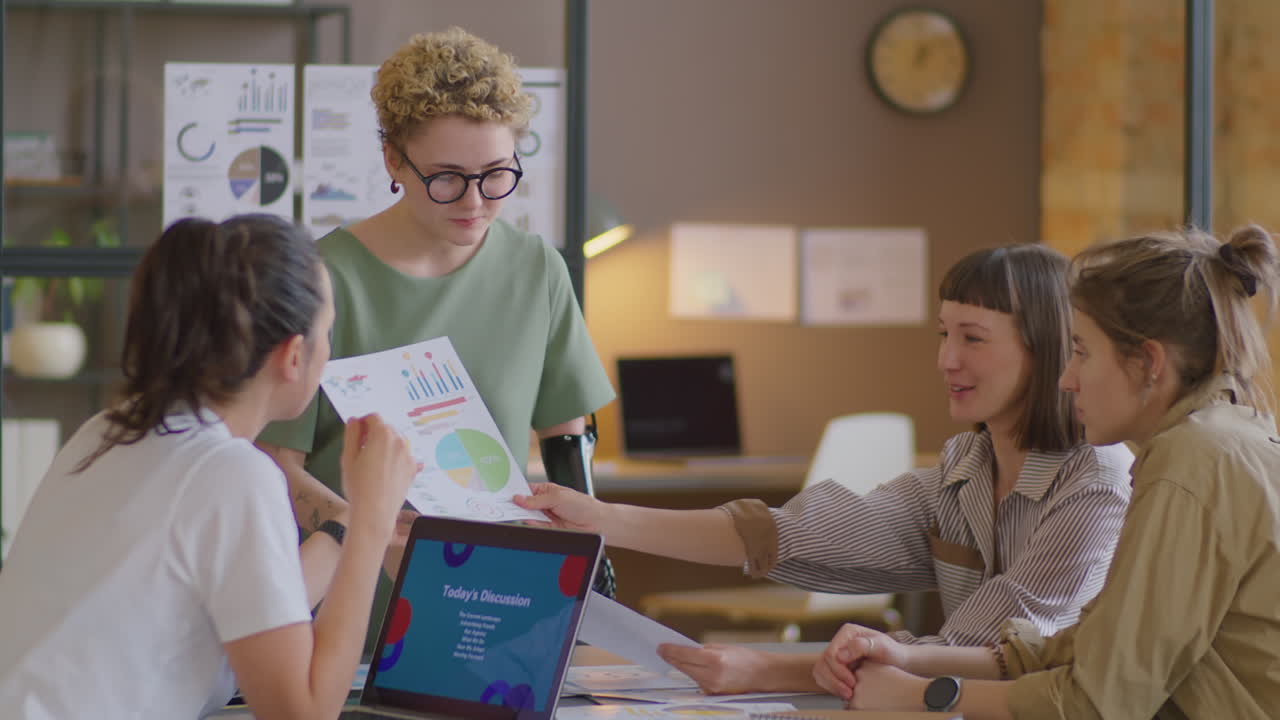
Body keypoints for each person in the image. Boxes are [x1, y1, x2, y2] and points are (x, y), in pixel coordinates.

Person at [516, 244, 1133, 694]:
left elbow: (994, 647)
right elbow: (793, 534)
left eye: (973, 338)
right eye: (944, 334)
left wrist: (767, 668)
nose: (947, 359)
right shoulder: (964, 467)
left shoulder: (1097, 485)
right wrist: (601, 520)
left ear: (1044, 347)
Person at [813, 225, 1280, 718]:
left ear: (1148, 362)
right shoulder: (1232, 437)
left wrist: (919, 694)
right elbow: (1095, 650)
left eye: (1081, 352)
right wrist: (911, 658)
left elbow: (1095, 704)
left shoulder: (1190, 464)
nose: (1066, 378)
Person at [256, 27, 618, 648]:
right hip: (346, 604)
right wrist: (364, 528)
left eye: (497, 175)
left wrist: (593, 562)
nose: (475, 202)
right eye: (447, 178)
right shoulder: (321, 279)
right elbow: (272, 463)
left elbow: (566, 437)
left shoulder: (536, 270)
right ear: (394, 159)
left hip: (490, 604)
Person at [0, 215, 417, 718]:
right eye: (328, 333)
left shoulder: (108, 431)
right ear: (293, 356)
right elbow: (300, 713)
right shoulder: (233, 473)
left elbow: (253, 606)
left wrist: (346, 526)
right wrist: (373, 525)